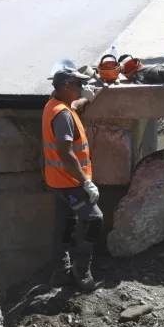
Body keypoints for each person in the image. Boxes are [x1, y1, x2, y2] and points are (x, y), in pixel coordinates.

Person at [42, 67, 102, 291]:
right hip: (70, 182)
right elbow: (66, 154)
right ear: (66, 86)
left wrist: (85, 99)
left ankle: (60, 272)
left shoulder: (54, 104)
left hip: (56, 180)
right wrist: (86, 182)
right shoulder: (63, 116)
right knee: (94, 219)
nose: (82, 88)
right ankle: (81, 270)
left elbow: (73, 106)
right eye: (78, 85)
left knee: (64, 223)